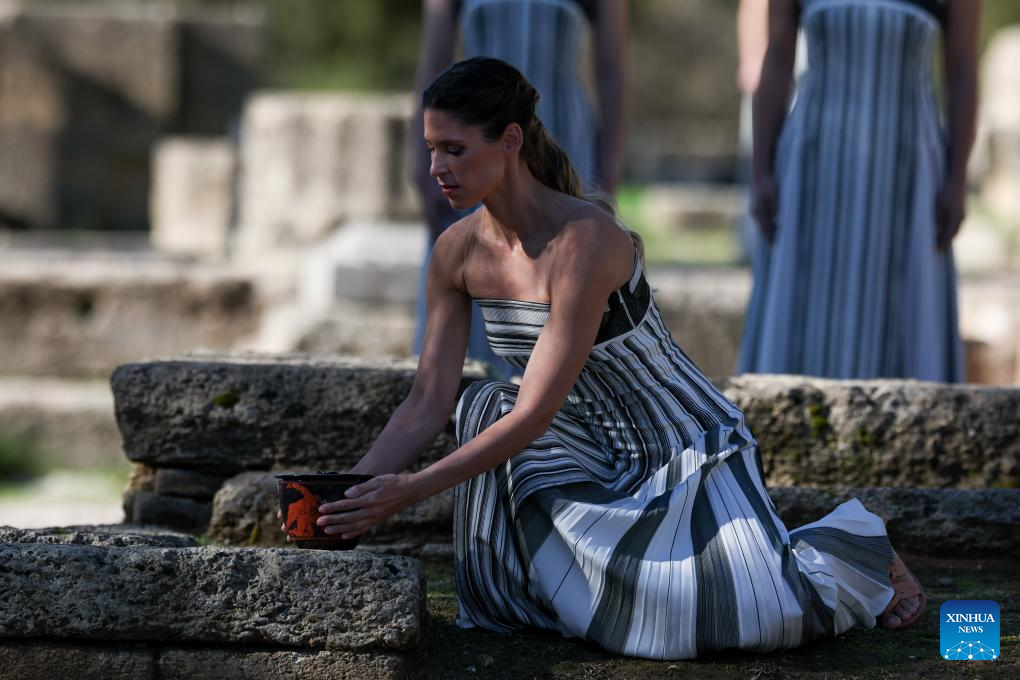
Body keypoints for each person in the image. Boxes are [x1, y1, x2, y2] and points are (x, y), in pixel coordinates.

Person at [287, 57, 925, 660]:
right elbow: (427, 400)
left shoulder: (584, 241)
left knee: (760, 617)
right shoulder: (455, 253)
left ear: (510, 141)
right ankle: (529, 589)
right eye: (430, 148)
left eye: (454, 149)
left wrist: (409, 491)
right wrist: (349, 499)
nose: (436, 167)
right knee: (480, 403)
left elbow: (535, 413)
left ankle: (859, 545)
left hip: (679, 445)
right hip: (586, 448)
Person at [738, 0, 978, 381]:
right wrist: (761, 170)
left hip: (911, 174)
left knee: (907, 319)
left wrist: (957, 179)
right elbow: (779, 55)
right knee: (802, 313)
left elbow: (962, 69)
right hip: (812, 168)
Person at [411, 0, 628, 378]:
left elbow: (612, 70)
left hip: (566, 146)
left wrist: (610, 166)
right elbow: (434, 63)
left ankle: (560, 416)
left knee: (569, 278)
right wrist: (421, 161)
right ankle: (463, 413)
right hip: (471, 148)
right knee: (471, 278)